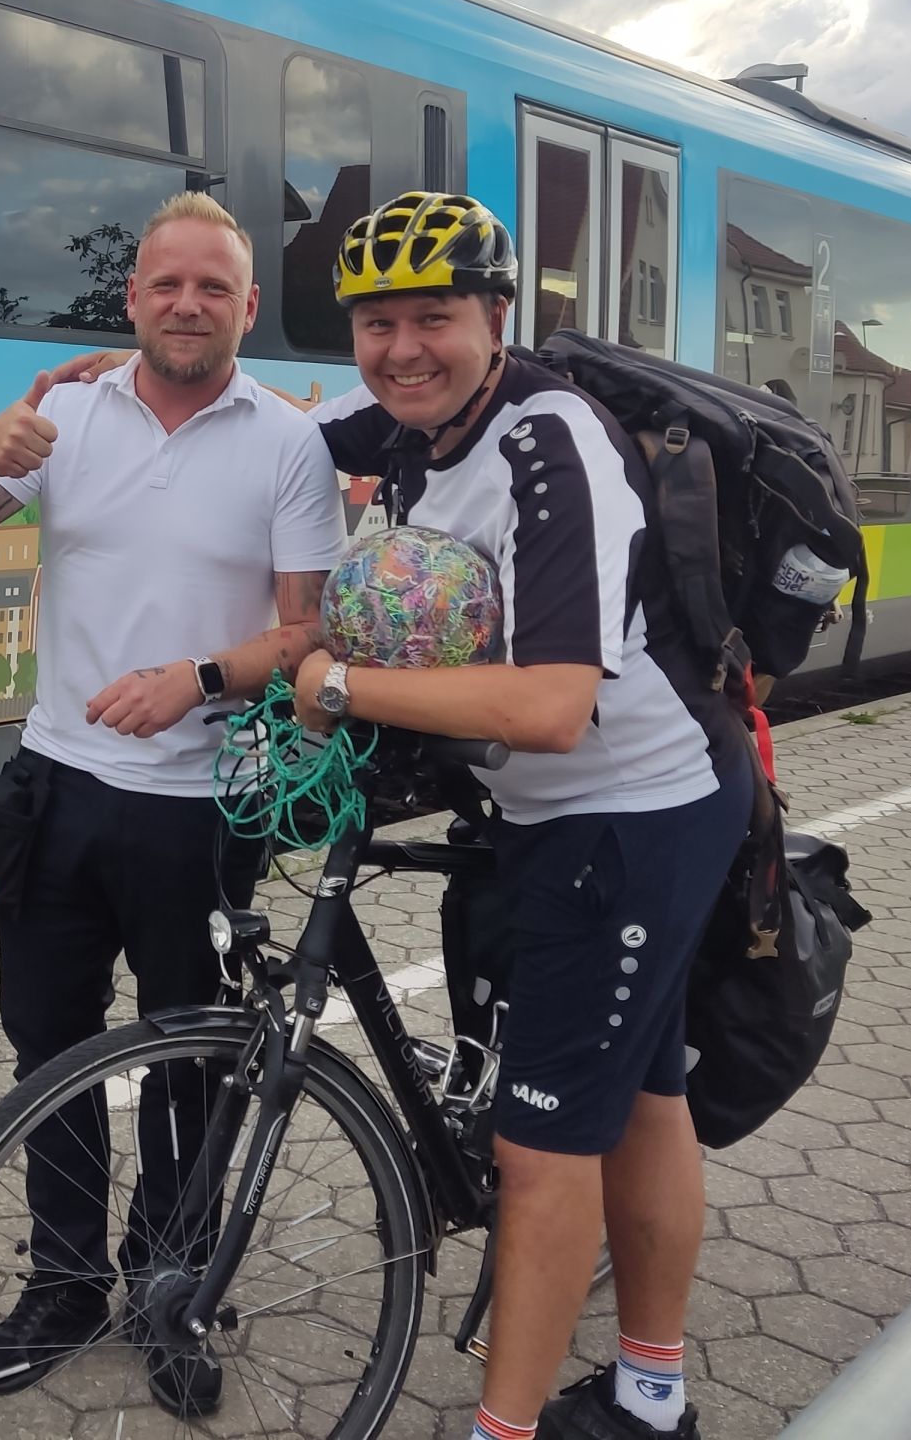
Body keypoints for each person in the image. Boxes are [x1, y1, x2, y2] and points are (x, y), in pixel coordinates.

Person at [292, 191, 750, 1440]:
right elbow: (268, 429)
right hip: (555, 820)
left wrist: (335, 684)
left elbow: (552, 705)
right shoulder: (408, 432)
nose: (401, 349)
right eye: (375, 324)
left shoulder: (553, 442)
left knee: (543, 1150)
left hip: (635, 813)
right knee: (644, 1097)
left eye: (432, 317)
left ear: (497, 317)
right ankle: (652, 1398)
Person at [0, 189, 345, 1416]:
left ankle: (171, 1282)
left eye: (214, 287)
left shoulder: (286, 443)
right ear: (131, 297)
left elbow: (307, 627)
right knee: (51, 1049)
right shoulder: (64, 421)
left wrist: (195, 680)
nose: (188, 304)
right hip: (58, 788)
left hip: (204, 808)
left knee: (192, 1058)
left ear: (247, 308)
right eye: (166, 284)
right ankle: (63, 1281)